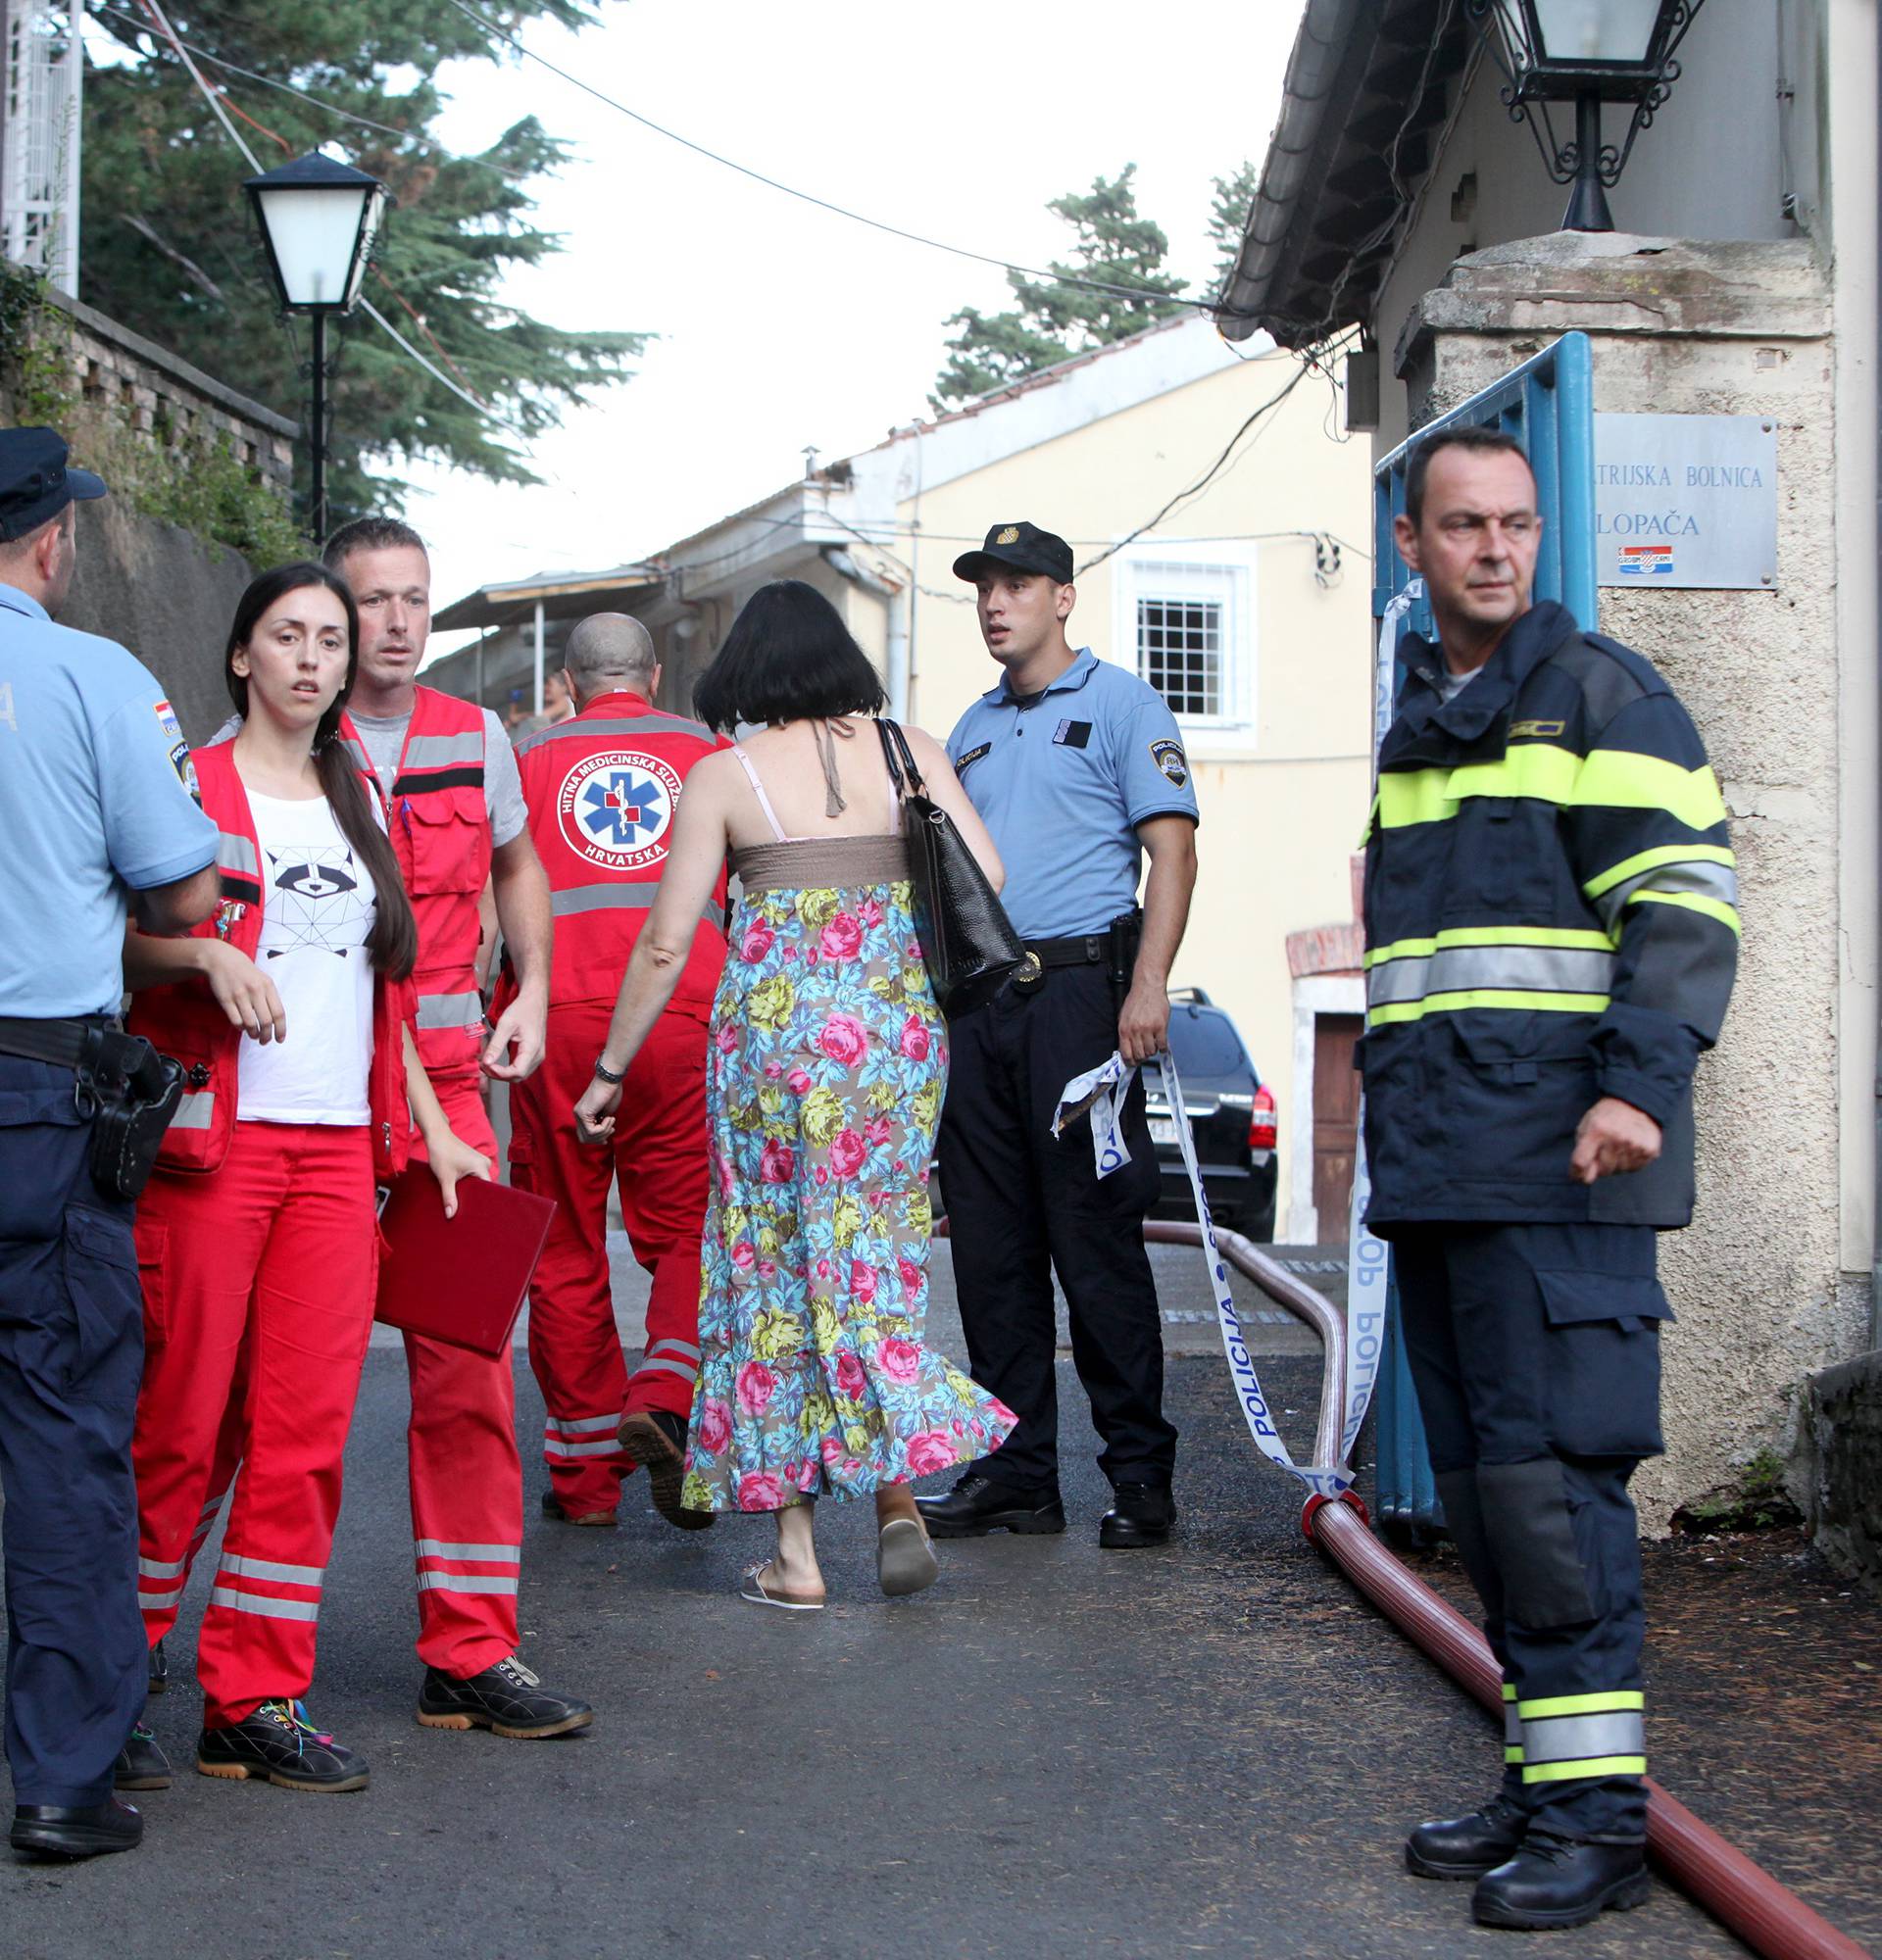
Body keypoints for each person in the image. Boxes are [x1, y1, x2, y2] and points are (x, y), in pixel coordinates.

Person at [1362, 425, 1737, 1932]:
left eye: (1517, 523)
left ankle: (1597, 1820)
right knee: (1486, 1498)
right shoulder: (1427, 719)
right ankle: (1542, 1776)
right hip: (1449, 1171)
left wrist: (1642, 1089)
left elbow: (1685, 905)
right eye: (1465, 527)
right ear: (1415, 545)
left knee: (1555, 1498)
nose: (1498, 550)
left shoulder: (1604, 698)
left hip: (1562, 1170)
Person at [195, 516, 588, 1740]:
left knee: (469, 1372)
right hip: (302, 1086)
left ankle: (472, 1648)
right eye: (375, 602)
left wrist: (531, 979)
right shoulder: (252, 751)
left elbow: (520, 864)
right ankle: (141, 1631)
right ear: (319, 616)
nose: (401, 624)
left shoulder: (477, 739)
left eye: (417, 599)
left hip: (448, 1090)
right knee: (240, 1386)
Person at [573, 580, 1016, 1608]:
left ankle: (798, 1557)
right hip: (894, 1052)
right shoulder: (910, 752)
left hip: (773, 1056)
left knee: (771, 1283)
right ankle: (898, 1496)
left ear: (747, 673)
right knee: (873, 1264)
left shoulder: (723, 774)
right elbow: (987, 872)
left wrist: (609, 1070)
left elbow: (669, 939)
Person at [126, 563, 491, 1792]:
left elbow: (382, 983)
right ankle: (111, 1674)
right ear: (242, 656)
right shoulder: (196, 784)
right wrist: (197, 957)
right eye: (288, 635)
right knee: (178, 1426)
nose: (314, 657)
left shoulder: (359, 789)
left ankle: (254, 1695)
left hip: (342, 1155)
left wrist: (435, 1122)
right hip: (214, 1155)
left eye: (330, 640)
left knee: (304, 1436)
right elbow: (112, 930)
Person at [0, 429, 218, 1859]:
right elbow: (190, 888)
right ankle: (63, 1784)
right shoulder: (89, 677)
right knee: (65, 1433)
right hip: (34, 1097)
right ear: (52, 542)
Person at [917, 521, 1199, 1551]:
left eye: (1018, 585)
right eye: (985, 588)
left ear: (1063, 597)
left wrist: (1150, 984)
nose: (997, 603)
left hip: (1082, 997)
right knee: (991, 1249)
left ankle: (1139, 1476)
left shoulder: (1124, 702)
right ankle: (1018, 1473)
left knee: (1093, 1242)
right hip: (981, 1005)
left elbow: (1171, 855)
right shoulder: (970, 729)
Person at [509, 613, 727, 1530]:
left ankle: (587, 1481)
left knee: (561, 1238)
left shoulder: (528, 758)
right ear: (656, 671)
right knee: (683, 1231)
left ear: (567, 678)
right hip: (680, 1017)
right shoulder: (708, 753)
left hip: (554, 1018)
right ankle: (664, 1393)